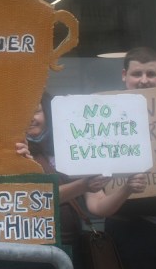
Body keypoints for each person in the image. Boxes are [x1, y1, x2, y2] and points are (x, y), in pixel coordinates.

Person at [84, 46, 156, 269]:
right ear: (124, 76)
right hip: (129, 232)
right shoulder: (102, 118)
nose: (144, 80)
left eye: (150, 74)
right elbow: (97, 202)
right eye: (137, 74)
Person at [26, 92, 109, 269]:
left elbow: (98, 206)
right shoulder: (12, 153)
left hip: (72, 246)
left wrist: (128, 188)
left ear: (47, 113)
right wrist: (83, 185)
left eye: (36, 111)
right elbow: (36, 198)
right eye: (23, 113)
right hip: (32, 252)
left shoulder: (71, 147)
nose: (30, 119)